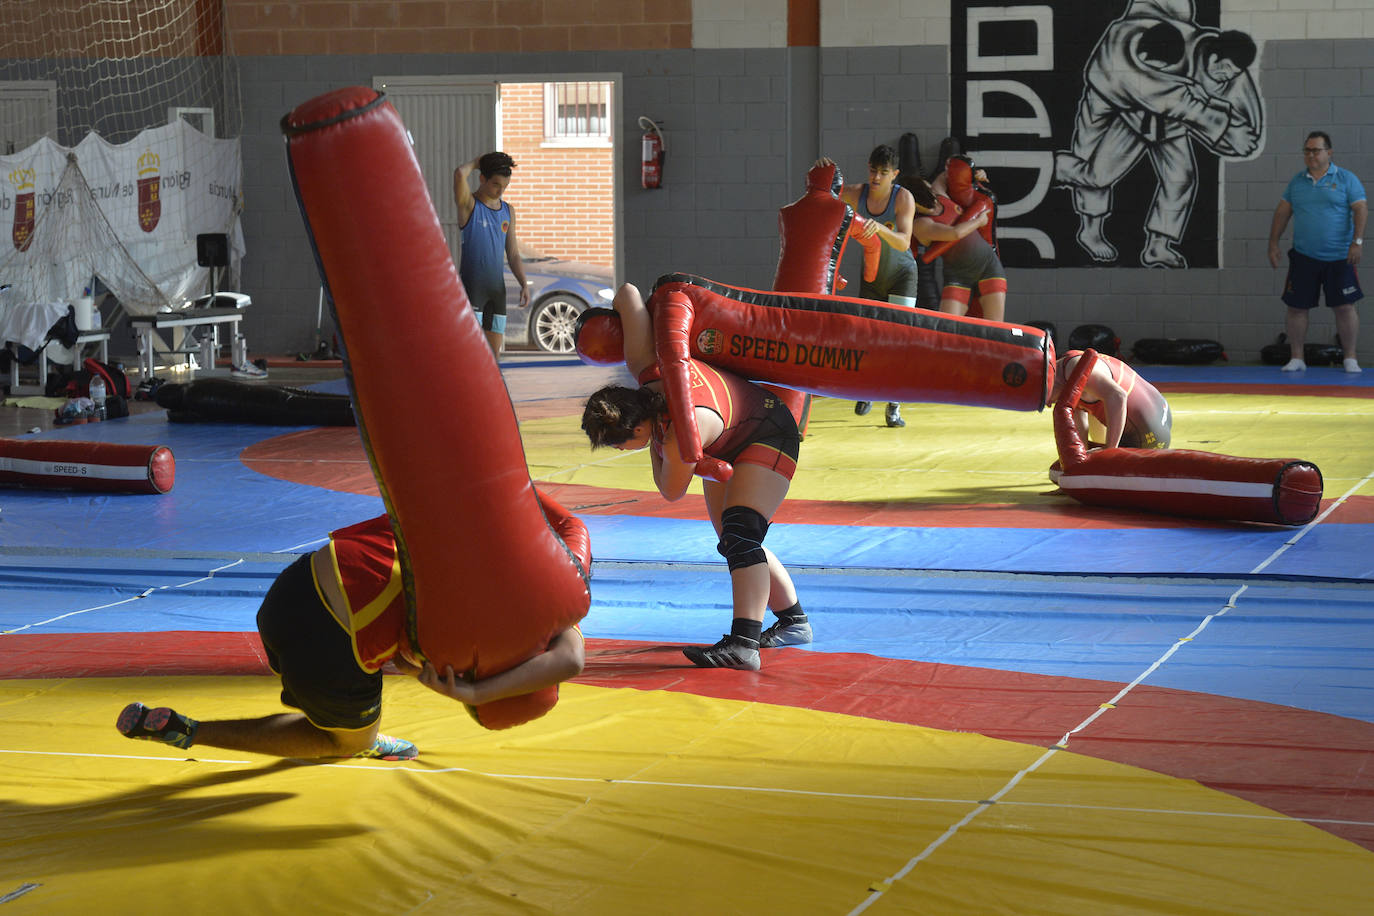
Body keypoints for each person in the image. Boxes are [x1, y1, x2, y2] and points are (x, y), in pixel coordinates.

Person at [116, 514, 585, 760]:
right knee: (344, 743)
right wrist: (475, 690)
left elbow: (569, 655)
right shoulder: (499, 626)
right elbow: (571, 662)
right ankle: (190, 732)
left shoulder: (483, 516)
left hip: (294, 586)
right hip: (334, 638)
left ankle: (350, 722)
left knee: (343, 686)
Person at [581, 283, 808, 671]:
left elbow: (669, 489)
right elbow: (630, 292)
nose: (619, 453)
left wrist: (658, 449)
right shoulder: (647, 367)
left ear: (639, 431)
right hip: (729, 432)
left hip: (768, 431)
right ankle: (794, 623)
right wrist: (606, 316)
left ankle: (743, 645)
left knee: (740, 536)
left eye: (617, 446)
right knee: (734, 539)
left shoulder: (675, 437)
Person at [1055, 4, 1262, 267]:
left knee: (1181, 178)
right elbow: (1159, 96)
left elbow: (1242, 127)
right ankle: (1083, 214)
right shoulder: (1125, 46)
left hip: (1167, 120)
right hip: (1117, 102)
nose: (1224, 77)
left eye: (1229, 74)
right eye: (1223, 71)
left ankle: (1158, 246)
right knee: (1096, 172)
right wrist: (1218, 124)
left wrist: (1233, 134)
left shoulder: (1216, 57)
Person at [818, 146, 919, 428]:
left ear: (894, 175)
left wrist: (879, 228)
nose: (876, 177)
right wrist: (826, 171)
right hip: (872, 274)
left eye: (883, 173)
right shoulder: (854, 193)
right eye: (873, 171)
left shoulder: (903, 198)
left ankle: (894, 404)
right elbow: (821, 195)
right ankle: (867, 390)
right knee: (868, 336)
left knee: (899, 339)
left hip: (902, 273)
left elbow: (903, 241)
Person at [1267, 130, 1366, 374]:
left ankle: (1350, 357)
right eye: (1307, 150)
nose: (1311, 155)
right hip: (1303, 257)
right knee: (1297, 307)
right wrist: (1273, 243)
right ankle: (1297, 357)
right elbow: (1282, 212)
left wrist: (1358, 242)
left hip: (1340, 257)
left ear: (1329, 153)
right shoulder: (1297, 182)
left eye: (1316, 150)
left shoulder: (1346, 179)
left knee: (1345, 307)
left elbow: (1361, 209)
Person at [454, 151, 529, 359]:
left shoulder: (508, 211)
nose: (500, 191)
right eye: (496, 184)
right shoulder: (469, 206)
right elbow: (459, 174)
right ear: (482, 178)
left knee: (493, 357)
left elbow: (513, 253)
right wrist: (477, 162)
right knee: (471, 353)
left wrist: (523, 282)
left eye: (505, 186)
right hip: (473, 288)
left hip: (497, 292)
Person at [907, 177, 1003, 321]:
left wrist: (974, 174)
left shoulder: (938, 193)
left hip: (987, 267)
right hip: (958, 275)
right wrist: (979, 221)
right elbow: (955, 233)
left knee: (995, 330)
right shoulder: (921, 224)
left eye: (928, 188)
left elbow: (950, 172)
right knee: (947, 328)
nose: (931, 193)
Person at [1051, 349, 1172, 449]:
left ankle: (1111, 447)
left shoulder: (1076, 370)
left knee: (1093, 470)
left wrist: (1110, 450)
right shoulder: (1068, 363)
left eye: (1044, 400)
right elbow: (1080, 425)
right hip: (1160, 407)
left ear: (1048, 384)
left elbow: (1118, 396)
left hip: (1146, 435)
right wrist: (1081, 453)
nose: (1048, 405)